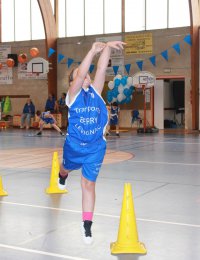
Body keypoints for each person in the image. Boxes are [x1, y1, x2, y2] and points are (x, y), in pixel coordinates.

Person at [58, 41, 126, 244]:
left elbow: (101, 69)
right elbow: (80, 75)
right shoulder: (72, 96)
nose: (86, 75)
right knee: (66, 167)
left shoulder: (96, 91)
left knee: (88, 184)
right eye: (81, 74)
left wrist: (107, 48)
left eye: (88, 73)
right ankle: (62, 175)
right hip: (75, 146)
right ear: (73, 82)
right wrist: (91, 51)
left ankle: (87, 225)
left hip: (96, 147)